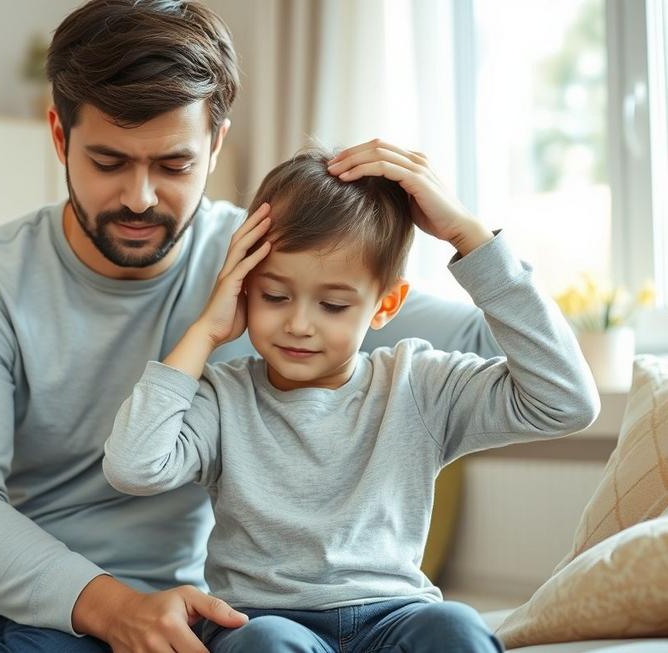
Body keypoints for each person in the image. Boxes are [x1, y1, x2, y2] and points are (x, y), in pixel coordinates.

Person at [0, 2, 500, 653]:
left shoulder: (271, 270)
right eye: (109, 161)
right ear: (59, 136)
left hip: (183, 602)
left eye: (174, 163)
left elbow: (516, 360)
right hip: (9, 590)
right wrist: (114, 608)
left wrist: (465, 234)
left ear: (215, 145)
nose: (140, 196)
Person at [102, 145, 601, 653]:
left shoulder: (418, 383)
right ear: (244, 288)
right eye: (274, 296)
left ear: (385, 305)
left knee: (455, 626)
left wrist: (468, 236)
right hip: (263, 620)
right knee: (268, 642)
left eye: (333, 305)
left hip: (394, 615)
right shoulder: (223, 397)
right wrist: (206, 330)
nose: (299, 324)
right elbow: (133, 467)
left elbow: (565, 401)